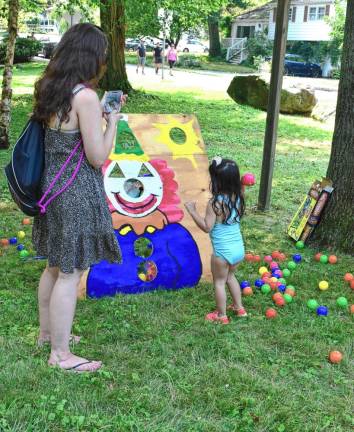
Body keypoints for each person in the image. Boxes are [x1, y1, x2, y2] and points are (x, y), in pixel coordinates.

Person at [32, 23, 125, 372]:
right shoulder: (84, 96)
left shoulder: (49, 88)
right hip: (76, 193)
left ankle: (48, 335)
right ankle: (60, 355)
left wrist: (95, 113)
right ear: (91, 56)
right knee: (70, 272)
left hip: (51, 189)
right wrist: (111, 120)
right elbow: (97, 156)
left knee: (55, 266)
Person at [185, 157, 247, 324]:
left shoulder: (215, 204)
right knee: (230, 277)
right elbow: (241, 187)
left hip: (222, 253)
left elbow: (207, 227)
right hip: (238, 250)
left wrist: (192, 211)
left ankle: (221, 315)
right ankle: (239, 308)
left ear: (216, 181)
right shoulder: (239, 197)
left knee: (219, 282)